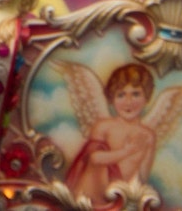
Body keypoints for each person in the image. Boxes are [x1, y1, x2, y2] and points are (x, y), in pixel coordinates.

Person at [67, 63, 159, 202]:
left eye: (136, 94)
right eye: (121, 95)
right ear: (112, 99)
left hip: (120, 197)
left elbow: (143, 175)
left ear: (146, 97)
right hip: (92, 193)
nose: (129, 102)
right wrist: (126, 151)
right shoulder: (105, 127)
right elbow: (93, 158)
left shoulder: (148, 136)